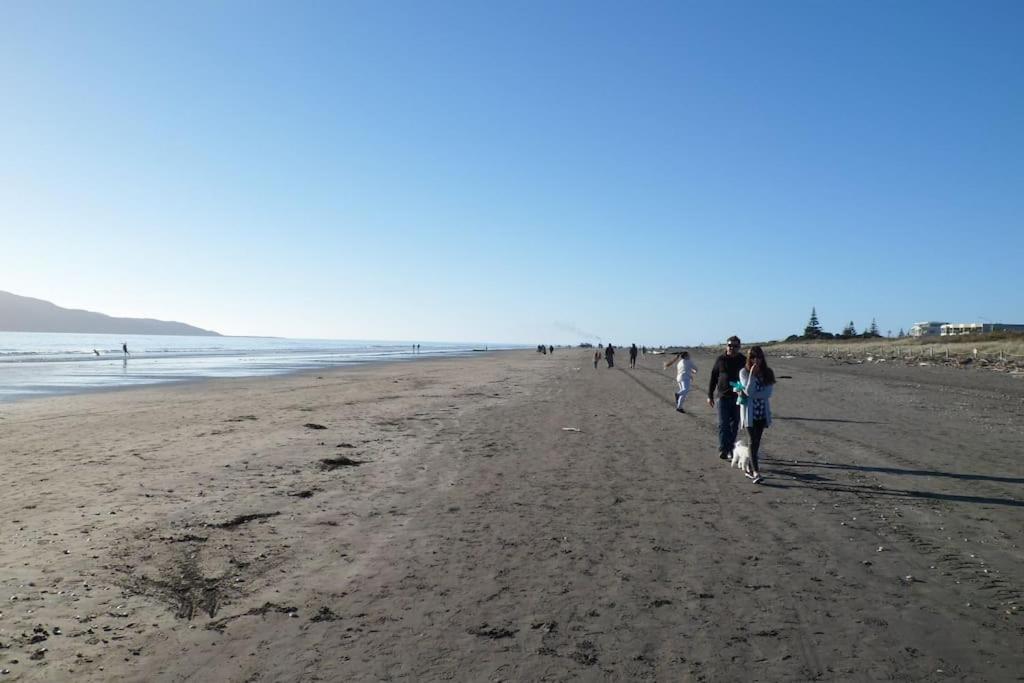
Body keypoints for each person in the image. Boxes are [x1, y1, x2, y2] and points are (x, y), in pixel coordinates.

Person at [737, 346, 775, 484]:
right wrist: (752, 375)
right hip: (749, 413)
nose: (756, 360)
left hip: (762, 413)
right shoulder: (744, 372)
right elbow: (748, 392)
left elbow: (768, 393)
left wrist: (754, 395)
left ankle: (749, 466)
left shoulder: (768, 373)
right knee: (753, 441)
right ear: (749, 358)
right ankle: (756, 472)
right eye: (753, 357)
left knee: (756, 442)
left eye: (758, 357)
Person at [707, 336, 746, 460]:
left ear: (739, 347)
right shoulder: (720, 359)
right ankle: (723, 449)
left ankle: (730, 448)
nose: (732, 348)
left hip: (738, 397)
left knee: (734, 425)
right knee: (723, 424)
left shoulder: (743, 360)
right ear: (726, 346)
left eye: (735, 346)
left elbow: (750, 377)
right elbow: (713, 376)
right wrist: (710, 395)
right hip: (722, 397)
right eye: (730, 345)